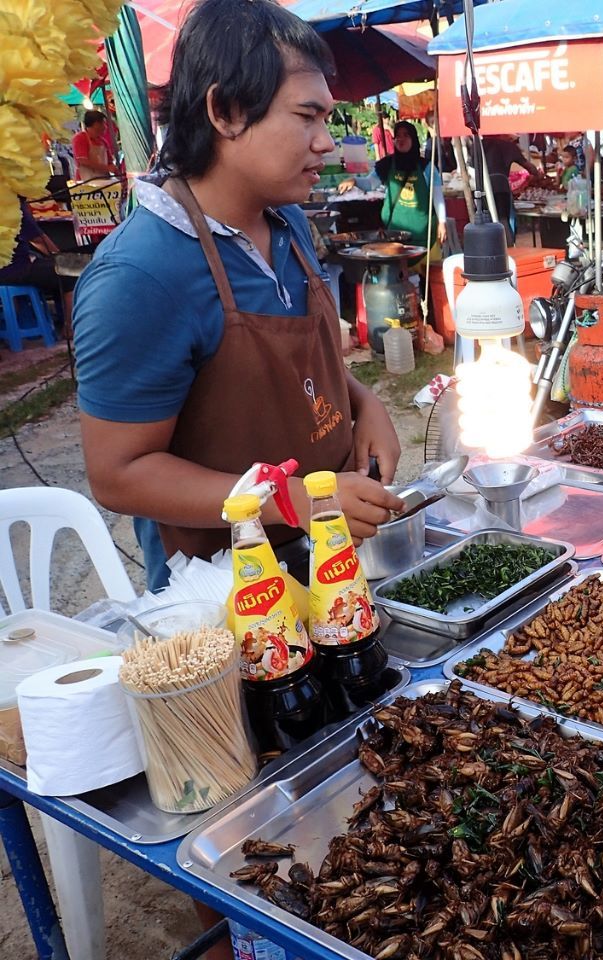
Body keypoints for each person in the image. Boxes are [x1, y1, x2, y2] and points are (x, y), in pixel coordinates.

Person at [73, 0, 403, 601]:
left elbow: (301, 370)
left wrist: (365, 405)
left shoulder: (290, 226)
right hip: (229, 596)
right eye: (307, 116)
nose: (326, 143)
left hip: (328, 561)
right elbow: (119, 474)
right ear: (225, 111)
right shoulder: (140, 275)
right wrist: (289, 500)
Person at [374, 121, 447, 251]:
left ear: (413, 139)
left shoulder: (427, 167)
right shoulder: (386, 164)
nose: (401, 139)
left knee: (425, 270)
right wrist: (354, 181)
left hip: (421, 232)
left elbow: (437, 196)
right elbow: (370, 182)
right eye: (398, 136)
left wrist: (442, 222)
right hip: (393, 231)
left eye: (406, 135)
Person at [480, 134, 537, 240]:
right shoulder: (509, 146)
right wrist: (538, 174)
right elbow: (529, 167)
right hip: (500, 185)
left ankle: (494, 245)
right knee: (503, 219)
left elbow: (470, 166)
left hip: (482, 187)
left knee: (488, 220)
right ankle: (508, 245)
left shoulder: (478, 146)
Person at [71, 110, 114, 180]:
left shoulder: (103, 142)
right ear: (96, 124)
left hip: (104, 181)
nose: (105, 127)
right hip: (86, 182)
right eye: (103, 123)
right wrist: (106, 168)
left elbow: (110, 162)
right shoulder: (80, 138)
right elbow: (83, 161)